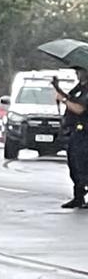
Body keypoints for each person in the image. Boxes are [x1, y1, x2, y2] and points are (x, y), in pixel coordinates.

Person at [53, 66, 88, 209]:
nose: (77, 74)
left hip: (85, 133)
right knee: (74, 165)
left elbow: (79, 109)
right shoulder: (79, 88)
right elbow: (70, 99)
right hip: (74, 133)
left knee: (84, 166)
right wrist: (58, 88)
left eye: (80, 71)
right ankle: (78, 197)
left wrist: (63, 99)